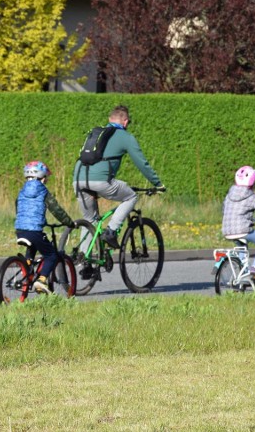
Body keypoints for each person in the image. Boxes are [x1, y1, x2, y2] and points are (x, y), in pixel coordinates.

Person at [72, 105, 166, 250]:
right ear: (126, 122)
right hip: (100, 181)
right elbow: (142, 163)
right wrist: (158, 184)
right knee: (131, 197)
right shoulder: (126, 137)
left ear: (110, 119)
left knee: (90, 220)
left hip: (78, 179)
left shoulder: (95, 132)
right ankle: (111, 231)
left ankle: (85, 261)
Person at [15, 161, 76, 294]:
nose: (47, 180)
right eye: (46, 178)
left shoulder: (22, 191)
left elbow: (19, 209)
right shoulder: (43, 191)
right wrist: (69, 222)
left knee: (33, 246)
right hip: (35, 231)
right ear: (42, 177)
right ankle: (41, 280)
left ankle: (28, 266)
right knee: (51, 255)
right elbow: (56, 210)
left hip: (20, 230)